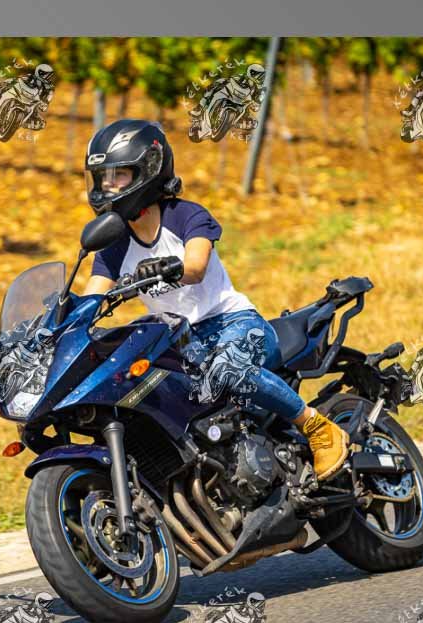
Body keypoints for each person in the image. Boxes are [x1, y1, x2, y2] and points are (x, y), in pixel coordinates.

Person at [80, 119, 349, 480]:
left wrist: (167, 266)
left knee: (226, 369)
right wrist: (58, 323)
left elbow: (195, 266)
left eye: (119, 175)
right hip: (180, 343)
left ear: (149, 170)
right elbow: (92, 298)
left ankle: (317, 427)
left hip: (233, 325)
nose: (107, 186)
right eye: (102, 178)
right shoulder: (115, 244)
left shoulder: (184, 215)